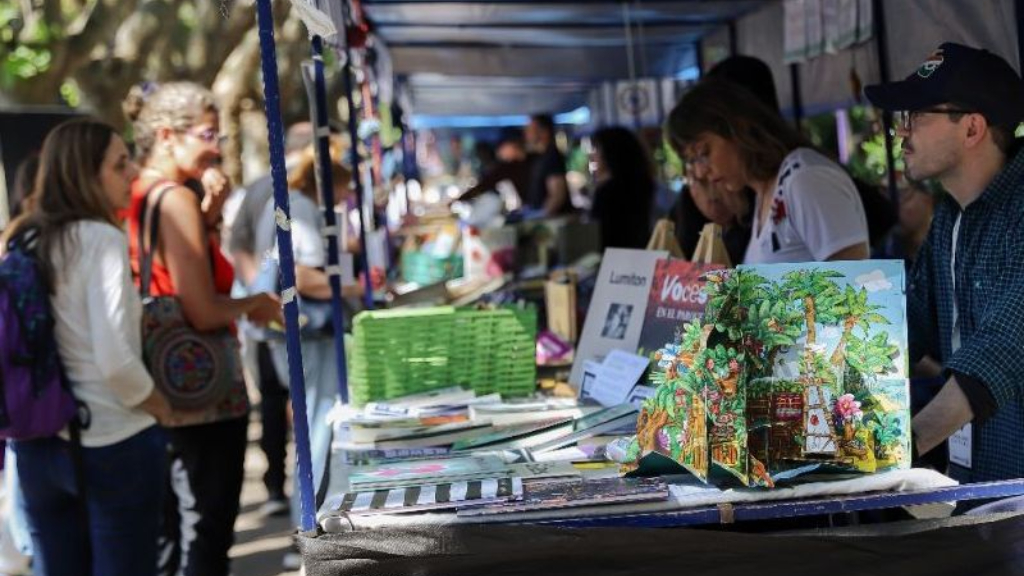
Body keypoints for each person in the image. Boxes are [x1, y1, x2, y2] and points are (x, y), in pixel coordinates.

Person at [123, 81, 280, 576]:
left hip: (158, 380)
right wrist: (255, 302)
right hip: (204, 388)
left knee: (173, 525)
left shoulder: (137, 190)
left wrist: (209, 218)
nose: (218, 147)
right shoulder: (174, 200)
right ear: (168, 135)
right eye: (210, 134)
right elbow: (202, 310)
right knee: (208, 526)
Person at [7, 119, 172, 576]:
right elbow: (116, 361)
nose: (134, 173)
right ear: (85, 173)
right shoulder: (99, 240)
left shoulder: (26, 237)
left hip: (38, 443)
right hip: (112, 439)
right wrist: (160, 406)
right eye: (120, 165)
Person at [864, 42, 1024, 485]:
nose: (901, 133)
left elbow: (1003, 349)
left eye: (916, 116)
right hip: (978, 482)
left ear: (972, 128)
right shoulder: (950, 215)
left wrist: (898, 449)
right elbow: (909, 324)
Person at [666, 80, 869, 264]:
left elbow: (857, 288)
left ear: (738, 128)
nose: (701, 172)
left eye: (704, 152)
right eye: (693, 161)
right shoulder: (766, 194)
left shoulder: (804, 181)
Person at [227, 121, 314, 518]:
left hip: (271, 311)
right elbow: (240, 244)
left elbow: (238, 244)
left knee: (280, 400)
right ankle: (280, 487)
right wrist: (259, 292)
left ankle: (281, 487)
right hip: (277, 315)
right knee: (286, 399)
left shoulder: (265, 186)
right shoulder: (268, 186)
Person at [588, 126, 654, 250]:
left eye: (596, 150)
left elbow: (599, 238)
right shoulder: (646, 185)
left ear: (609, 154)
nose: (593, 157)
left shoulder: (606, 193)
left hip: (613, 262)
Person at [524, 114, 571, 215]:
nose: (526, 133)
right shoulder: (540, 157)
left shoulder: (552, 156)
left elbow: (557, 195)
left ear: (544, 132)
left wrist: (540, 217)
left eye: (530, 129)